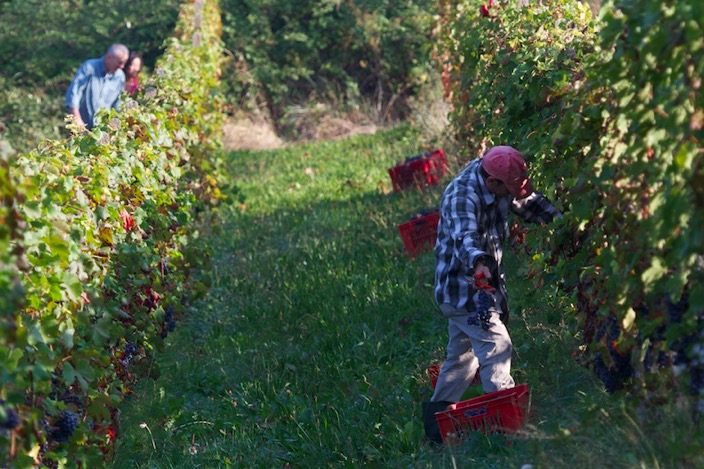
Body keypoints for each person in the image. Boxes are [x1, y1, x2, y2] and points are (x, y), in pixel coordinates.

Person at [422, 145, 561, 444]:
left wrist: (563, 225)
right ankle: (510, 426)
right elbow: (465, 238)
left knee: (462, 359)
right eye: (507, 190)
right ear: (491, 183)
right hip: (463, 290)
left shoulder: (499, 178)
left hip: (479, 289)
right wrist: (479, 263)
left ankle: (437, 430)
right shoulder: (462, 195)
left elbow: (530, 204)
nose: (511, 195)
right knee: (497, 344)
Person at [65, 44, 129, 130]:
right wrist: (77, 120)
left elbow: (117, 106)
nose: (122, 66)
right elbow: (74, 94)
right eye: (119, 62)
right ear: (109, 57)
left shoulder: (120, 77)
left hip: (101, 131)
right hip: (80, 126)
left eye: (124, 63)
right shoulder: (90, 67)